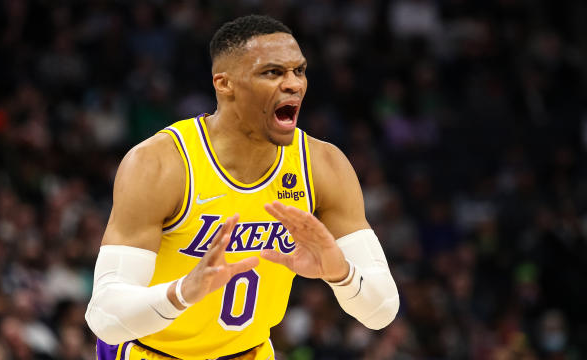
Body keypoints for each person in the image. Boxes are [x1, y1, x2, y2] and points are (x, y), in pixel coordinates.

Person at [85, 15, 399, 360]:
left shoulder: (323, 165)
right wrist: (183, 292)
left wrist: (341, 273)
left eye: (299, 70)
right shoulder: (160, 164)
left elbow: (382, 309)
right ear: (224, 84)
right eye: (273, 72)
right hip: (150, 352)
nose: (294, 84)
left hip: (251, 352)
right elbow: (105, 317)